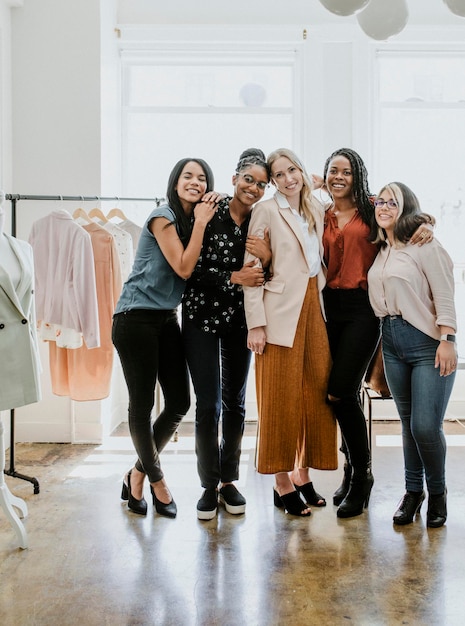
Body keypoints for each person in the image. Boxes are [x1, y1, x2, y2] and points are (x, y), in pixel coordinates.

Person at [317, 147, 433, 518]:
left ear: (358, 176)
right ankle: (350, 468)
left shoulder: (371, 206)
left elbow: (404, 213)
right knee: (337, 394)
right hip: (327, 309)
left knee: (340, 392)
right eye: (333, 170)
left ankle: (362, 477)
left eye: (346, 171)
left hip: (363, 310)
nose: (339, 177)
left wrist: (425, 223)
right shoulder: (321, 213)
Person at [112, 157, 217, 518]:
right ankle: (157, 481)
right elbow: (184, 267)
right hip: (134, 318)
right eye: (188, 176)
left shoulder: (193, 224)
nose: (195, 182)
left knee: (178, 403)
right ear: (175, 183)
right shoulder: (163, 216)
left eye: (202, 178)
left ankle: (137, 472)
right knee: (141, 406)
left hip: (166, 318)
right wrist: (202, 221)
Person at [244, 148, 338, 517]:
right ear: (272, 181)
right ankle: (281, 481)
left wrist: (420, 219)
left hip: (315, 305)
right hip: (279, 311)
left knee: (315, 394)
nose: (287, 180)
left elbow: (367, 196)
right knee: (279, 398)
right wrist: (256, 323)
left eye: (292, 171)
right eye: (279, 175)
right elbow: (251, 269)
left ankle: (303, 473)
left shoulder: (314, 207)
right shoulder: (265, 210)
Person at [183, 148, 272, 520]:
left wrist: (265, 257)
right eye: (248, 179)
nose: (253, 187)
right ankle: (207, 484)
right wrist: (233, 277)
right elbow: (188, 269)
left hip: (239, 320)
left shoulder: (262, 220)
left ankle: (228, 480)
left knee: (235, 403)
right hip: (200, 318)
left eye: (261, 183)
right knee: (208, 405)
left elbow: (272, 271)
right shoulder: (209, 211)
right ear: (234, 177)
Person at [367, 182, 457, 528]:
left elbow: (445, 293)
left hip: (427, 343)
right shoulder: (382, 250)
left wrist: (447, 338)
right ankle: (412, 492)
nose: (385, 207)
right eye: (381, 201)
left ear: (406, 208)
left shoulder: (424, 243)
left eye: (394, 202)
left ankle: (437, 493)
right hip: (390, 342)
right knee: (406, 424)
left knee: (425, 426)